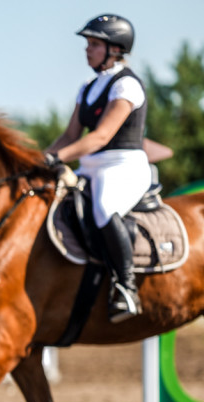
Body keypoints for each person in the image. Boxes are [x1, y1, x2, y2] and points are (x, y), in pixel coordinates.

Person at [44, 14, 150, 323]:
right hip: (91, 167)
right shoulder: (88, 87)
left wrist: (58, 157)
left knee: (104, 207)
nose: (87, 50)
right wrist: (39, 159)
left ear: (115, 49)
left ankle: (126, 287)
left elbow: (101, 136)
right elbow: (70, 135)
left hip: (124, 166)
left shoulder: (126, 85)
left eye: (93, 44)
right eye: (88, 44)